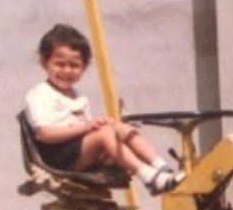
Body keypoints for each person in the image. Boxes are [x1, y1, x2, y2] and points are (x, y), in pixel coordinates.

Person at [24, 23, 182, 195]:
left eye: (74, 65)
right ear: (44, 63)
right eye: (60, 64)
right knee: (104, 132)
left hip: (76, 152)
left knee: (120, 127)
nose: (67, 70)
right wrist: (88, 127)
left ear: (84, 67)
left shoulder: (78, 96)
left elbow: (87, 132)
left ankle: (161, 167)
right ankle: (148, 176)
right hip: (56, 158)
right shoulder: (40, 94)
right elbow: (44, 134)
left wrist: (101, 124)